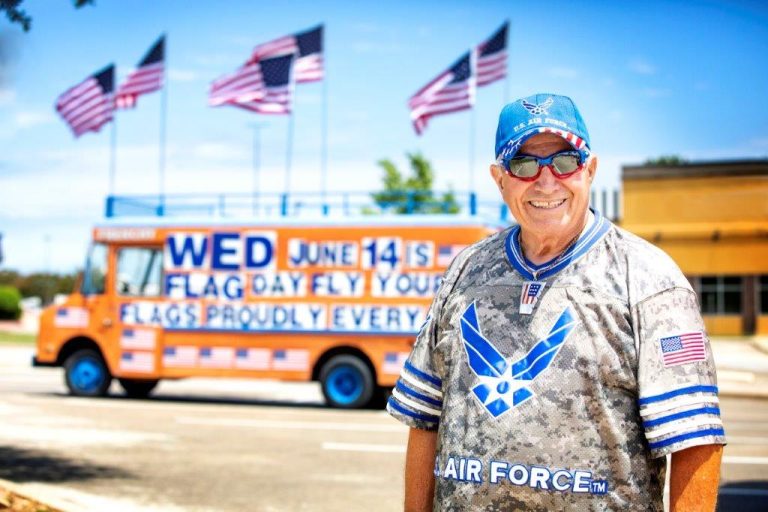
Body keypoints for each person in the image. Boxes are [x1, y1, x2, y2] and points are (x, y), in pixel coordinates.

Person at [387, 93, 725, 511]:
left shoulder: (648, 279)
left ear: (591, 170)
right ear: (500, 179)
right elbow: (425, 419)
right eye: (525, 164)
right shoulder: (465, 271)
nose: (546, 182)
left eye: (565, 162)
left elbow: (694, 439)